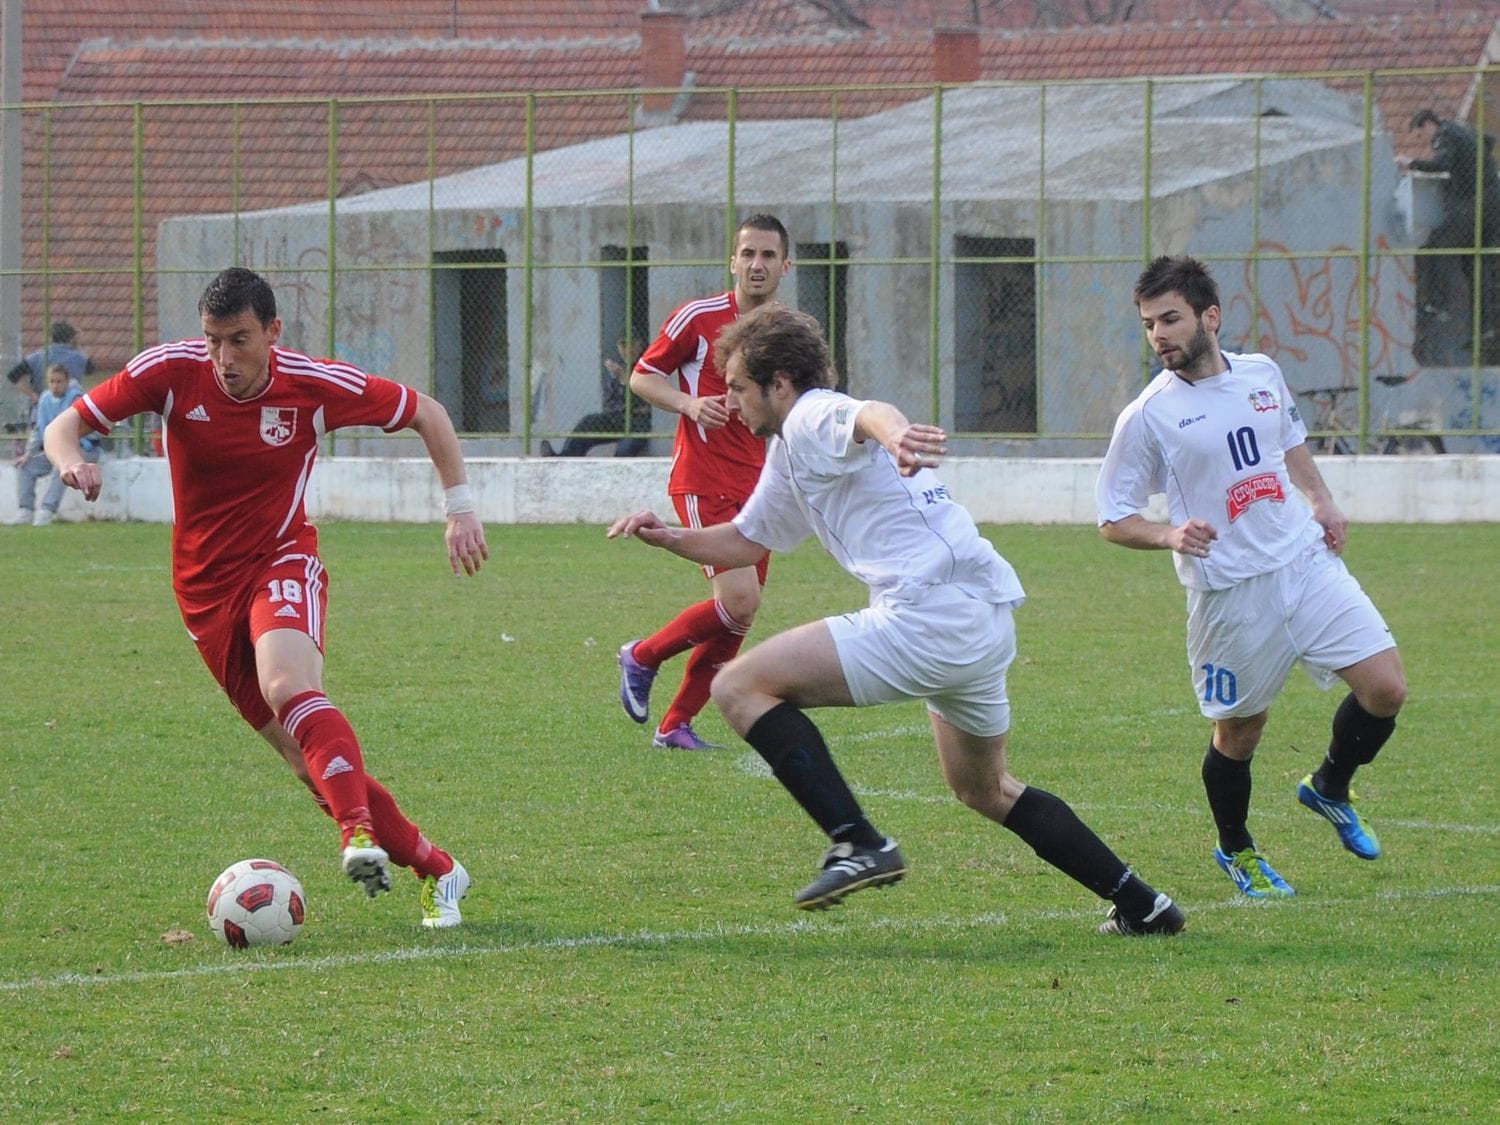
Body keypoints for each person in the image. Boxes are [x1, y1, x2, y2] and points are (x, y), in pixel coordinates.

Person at [609, 305, 1184, 936]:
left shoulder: (809, 415)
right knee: (985, 789)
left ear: (779, 384)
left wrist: (895, 434)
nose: (730, 400)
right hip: (981, 617)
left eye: (740, 387)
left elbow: (865, 414)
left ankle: (858, 842)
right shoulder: (788, 453)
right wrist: (668, 538)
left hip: (928, 615)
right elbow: (746, 540)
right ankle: (1143, 905)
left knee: (738, 686)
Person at [44, 266, 488, 928]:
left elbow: (429, 412)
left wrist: (460, 509)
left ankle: (357, 834)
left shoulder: (313, 385)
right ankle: (439, 868)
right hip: (202, 591)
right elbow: (66, 425)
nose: (224, 358)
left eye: (241, 340)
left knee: (287, 681)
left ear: (273, 332)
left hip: (282, 558)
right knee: (308, 764)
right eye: (214, 339)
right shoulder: (171, 372)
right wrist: (69, 462)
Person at [1096, 255, 1407, 900]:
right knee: (1240, 733)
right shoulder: (1148, 415)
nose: (1159, 335)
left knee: (1385, 688)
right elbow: (1112, 518)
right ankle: (1237, 849)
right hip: (1232, 593)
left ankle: (1329, 786)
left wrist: (1321, 500)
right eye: (1149, 324)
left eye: (1170, 319)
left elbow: (1288, 439)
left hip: (1303, 561)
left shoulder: (1262, 372)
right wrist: (1169, 534)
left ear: (1210, 317)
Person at [615, 214, 791, 750]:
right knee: (737, 600)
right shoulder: (699, 316)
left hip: (761, 485)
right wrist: (689, 403)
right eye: (748, 254)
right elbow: (641, 375)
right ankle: (641, 656)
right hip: (704, 476)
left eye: (768, 256)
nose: (756, 265)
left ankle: (675, 725)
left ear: (786, 265)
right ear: (732, 261)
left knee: (741, 613)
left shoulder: (786, 331)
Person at [1398, 109, 1500, 364]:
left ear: (1429, 124)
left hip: (1475, 203)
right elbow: (1489, 140)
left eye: (1422, 136)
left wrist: (1410, 163)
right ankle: (1484, 327)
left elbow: (1441, 163)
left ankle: (1437, 304)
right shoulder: (1464, 131)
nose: (1425, 143)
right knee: (1474, 264)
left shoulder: (1446, 134)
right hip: (1492, 204)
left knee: (1438, 246)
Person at [10, 364, 100, 526]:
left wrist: (68, 449)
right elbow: (38, 430)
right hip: (56, 450)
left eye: (59, 381)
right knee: (25, 466)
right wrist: (28, 454)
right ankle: (25, 510)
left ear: (67, 382)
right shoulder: (44, 399)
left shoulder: (77, 399)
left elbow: (90, 431)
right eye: (51, 382)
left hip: (83, 448)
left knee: (62, 466)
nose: (55, 386)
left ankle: (47, 510)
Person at [540, 337, 653, 457]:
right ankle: (565, 457)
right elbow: (609, 402)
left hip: (639, 422)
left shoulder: (647, 364)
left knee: (623, 451)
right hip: (619, 417)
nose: (627, 350)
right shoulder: (616, 366)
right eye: (623, 345)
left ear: (639, 345)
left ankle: (616, 471)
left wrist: (625, 379)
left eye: (631, 344)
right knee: (588, 422)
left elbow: (646, 399)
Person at [6, 321, 95, 409]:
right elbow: (91, 370)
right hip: (69, 407)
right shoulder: (79, 358)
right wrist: (77, 345)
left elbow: (13, 375)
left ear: (51, 338)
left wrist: (32, 395)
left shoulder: (37, 357)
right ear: (71, 339)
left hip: (42, 406)